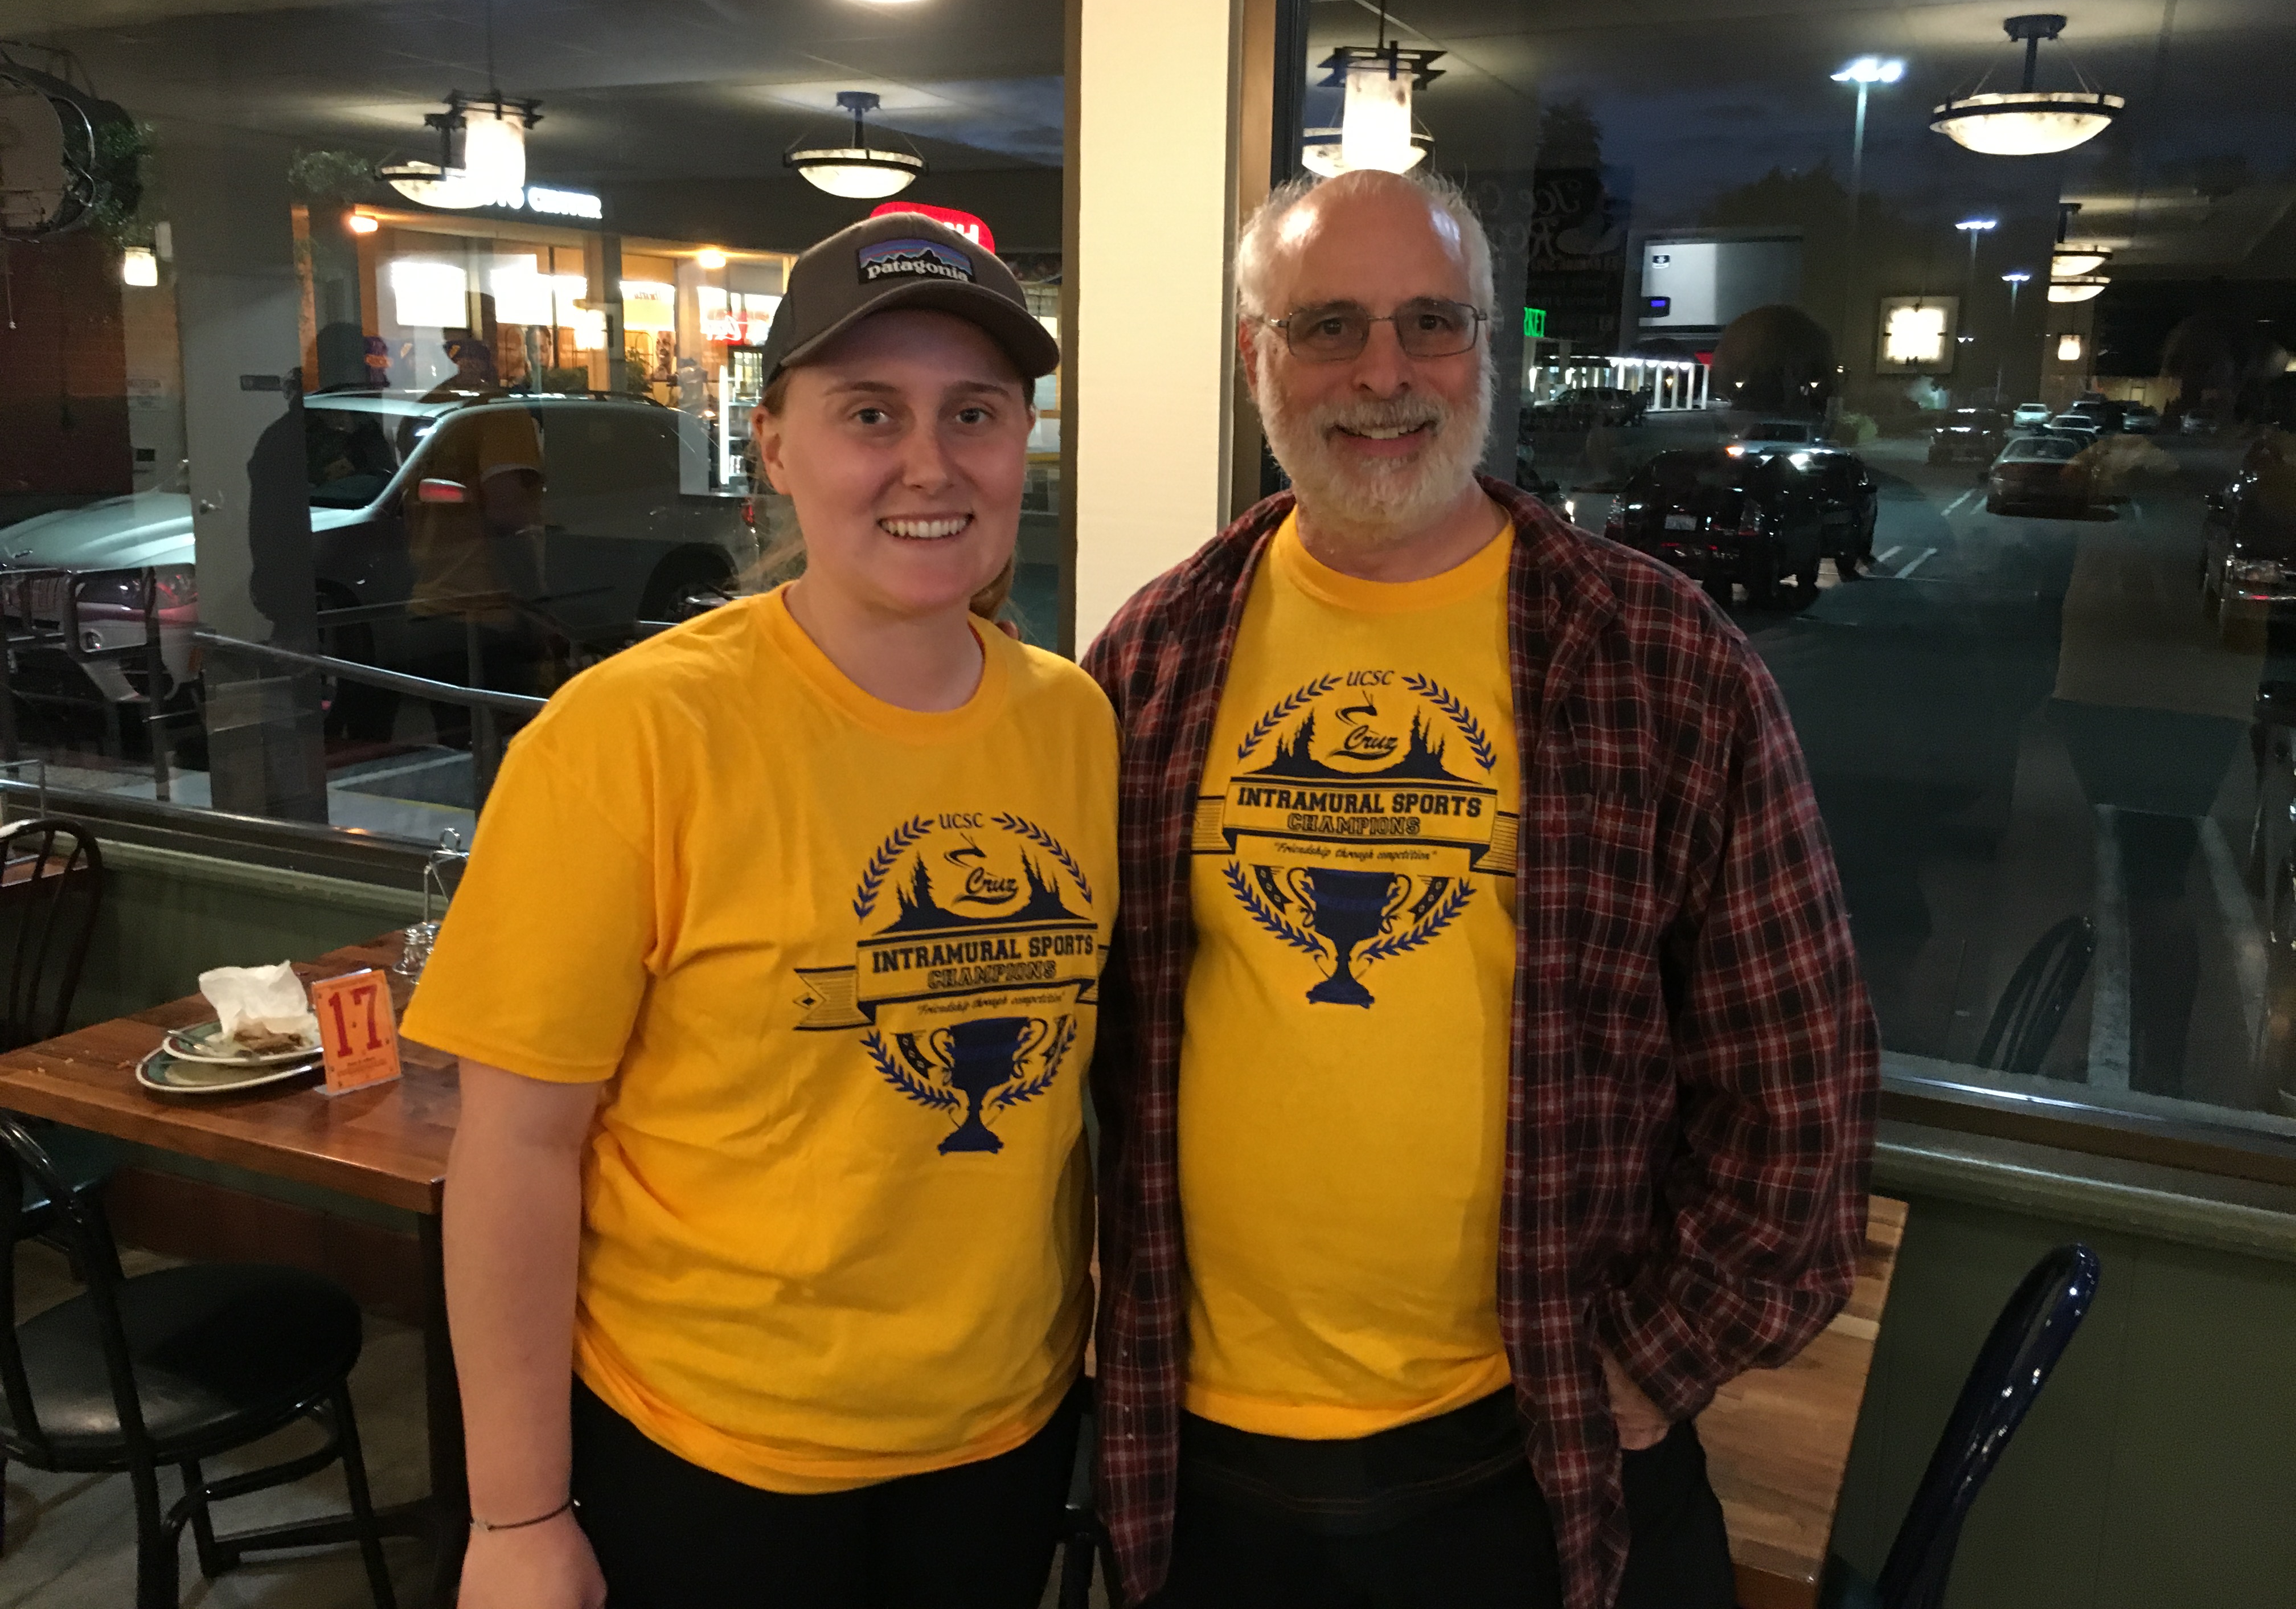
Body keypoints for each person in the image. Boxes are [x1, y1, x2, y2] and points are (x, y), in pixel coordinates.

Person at [1081, 169, 1879, 1609]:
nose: (1384, 373)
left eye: (1431, 323)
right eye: (1329, 325)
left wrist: (1652, 1366)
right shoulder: (1155, 653)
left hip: (1537, 1457)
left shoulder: (1658, 658)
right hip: (1201, 1450)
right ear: (1257, 358)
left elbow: (1800, 1082)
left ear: (1483, 352)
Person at [408, 212, 1114, 1609]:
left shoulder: (1078, 722)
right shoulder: (628, 735)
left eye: (974, 413)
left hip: (1003, 1433)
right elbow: (518, 1152)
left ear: (1022, 442)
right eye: (871, 413)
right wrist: (516, 1515)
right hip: (710, 1450)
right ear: (777, 448)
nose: (931, 462)